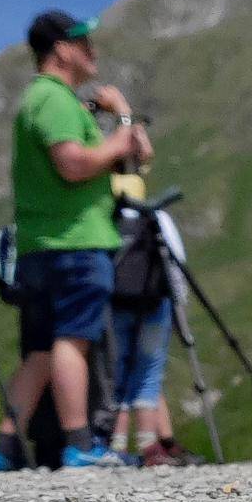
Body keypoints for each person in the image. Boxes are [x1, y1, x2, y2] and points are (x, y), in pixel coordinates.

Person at [0, 11, 152, 471]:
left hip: (41, 244)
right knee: (72, 340)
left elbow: (137, 155)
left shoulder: (46, 100)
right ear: (60, 49)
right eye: (82, 42)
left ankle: (5, 447)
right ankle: (80, 444)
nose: (92, 50)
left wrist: (120, 123)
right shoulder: (54, 100)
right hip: (75, 242)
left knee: (40, 350)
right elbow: (73, 163)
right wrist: (119, 131)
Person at [108, 166, 194, 467]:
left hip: (115, 305)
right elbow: (176, 263)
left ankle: (115, 446)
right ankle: (150, 448)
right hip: (155, 305)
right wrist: (179, 307)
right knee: (148, 374)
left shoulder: (108, 220)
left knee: (116, 375)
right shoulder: (158, 218)